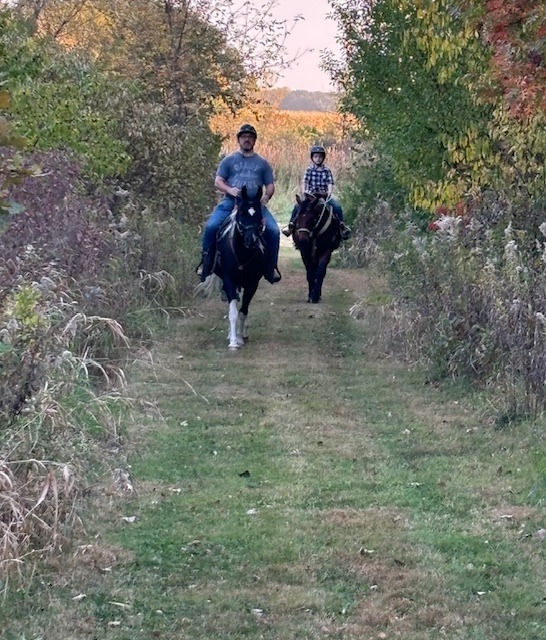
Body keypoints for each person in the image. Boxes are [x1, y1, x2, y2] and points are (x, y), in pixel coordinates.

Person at [199, 124, 281, 284]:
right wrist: (230, 190)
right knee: (212, 226)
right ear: (239, 139)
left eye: (250, 137)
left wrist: (266, 197)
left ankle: (271, 268)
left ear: (254, 140)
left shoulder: (262, 163)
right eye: (244, 137)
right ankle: (206, 264)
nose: (247, 139)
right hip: (231, 202)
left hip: (255, 205)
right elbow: (218, 181)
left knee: (273, 231)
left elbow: (270, 185)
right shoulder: (229, 160)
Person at [282, 145, 351, 240]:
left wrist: (329, 193)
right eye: (315, 156)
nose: (318, 159)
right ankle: (291, 225)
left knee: (337, 206)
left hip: (323, 196)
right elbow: (305, 183)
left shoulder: (327, 170)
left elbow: (330, 183)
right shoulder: (309, 170)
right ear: (312, 158)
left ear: (323, 158)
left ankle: (342, 226)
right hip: (310, 196)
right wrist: (305, 192)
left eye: (320, 157)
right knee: (298, 207)